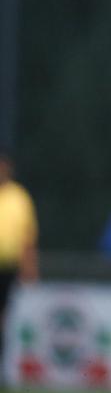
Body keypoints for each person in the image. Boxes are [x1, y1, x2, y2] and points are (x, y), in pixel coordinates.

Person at [0, 153, 39, 374]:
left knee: (4, 320)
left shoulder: (19, 197)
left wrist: (30, 267)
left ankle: (2, 370)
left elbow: (28, 237)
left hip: (7, 268)